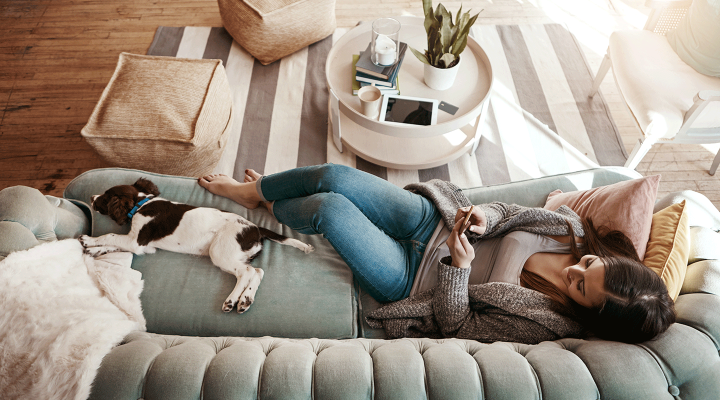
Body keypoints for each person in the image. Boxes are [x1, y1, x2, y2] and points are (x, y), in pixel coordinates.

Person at [198, 163, 675, 344]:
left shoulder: (546, 323)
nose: (575, 269)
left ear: (588, 313)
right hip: (432, 222)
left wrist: (459, 269)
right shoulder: (571, 230)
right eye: (591, 265)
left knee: (329, 209)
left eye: (579, 287)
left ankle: (275, 205)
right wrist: (487, 216)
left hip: (412, 278)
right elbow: (509, 212)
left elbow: (460, 326)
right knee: (335, 177)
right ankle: (254, 192)